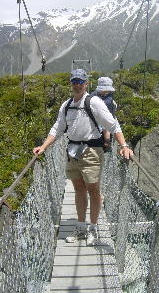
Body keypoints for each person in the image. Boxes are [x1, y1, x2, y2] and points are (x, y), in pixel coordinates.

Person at [33, 69, 133, 246]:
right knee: (79, 190)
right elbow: (57, 128)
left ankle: (93, 228)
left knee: (93, 190)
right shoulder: (67, 105)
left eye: (80, 81)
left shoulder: (93, 102)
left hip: (92, 152)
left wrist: (124, 146)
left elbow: (112, 123)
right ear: (71, 84)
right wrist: (43, 147)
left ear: (87, 84)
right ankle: (81, 228)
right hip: (72, 152)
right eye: (74, 82)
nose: (77, 85)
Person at [94, 77, 117, 152]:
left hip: (98, 130)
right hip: (97, 130)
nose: (106, 91)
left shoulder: (92, 96)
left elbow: (107, 123)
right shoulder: (109, 100)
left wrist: (107, 139)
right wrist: (107, 139)